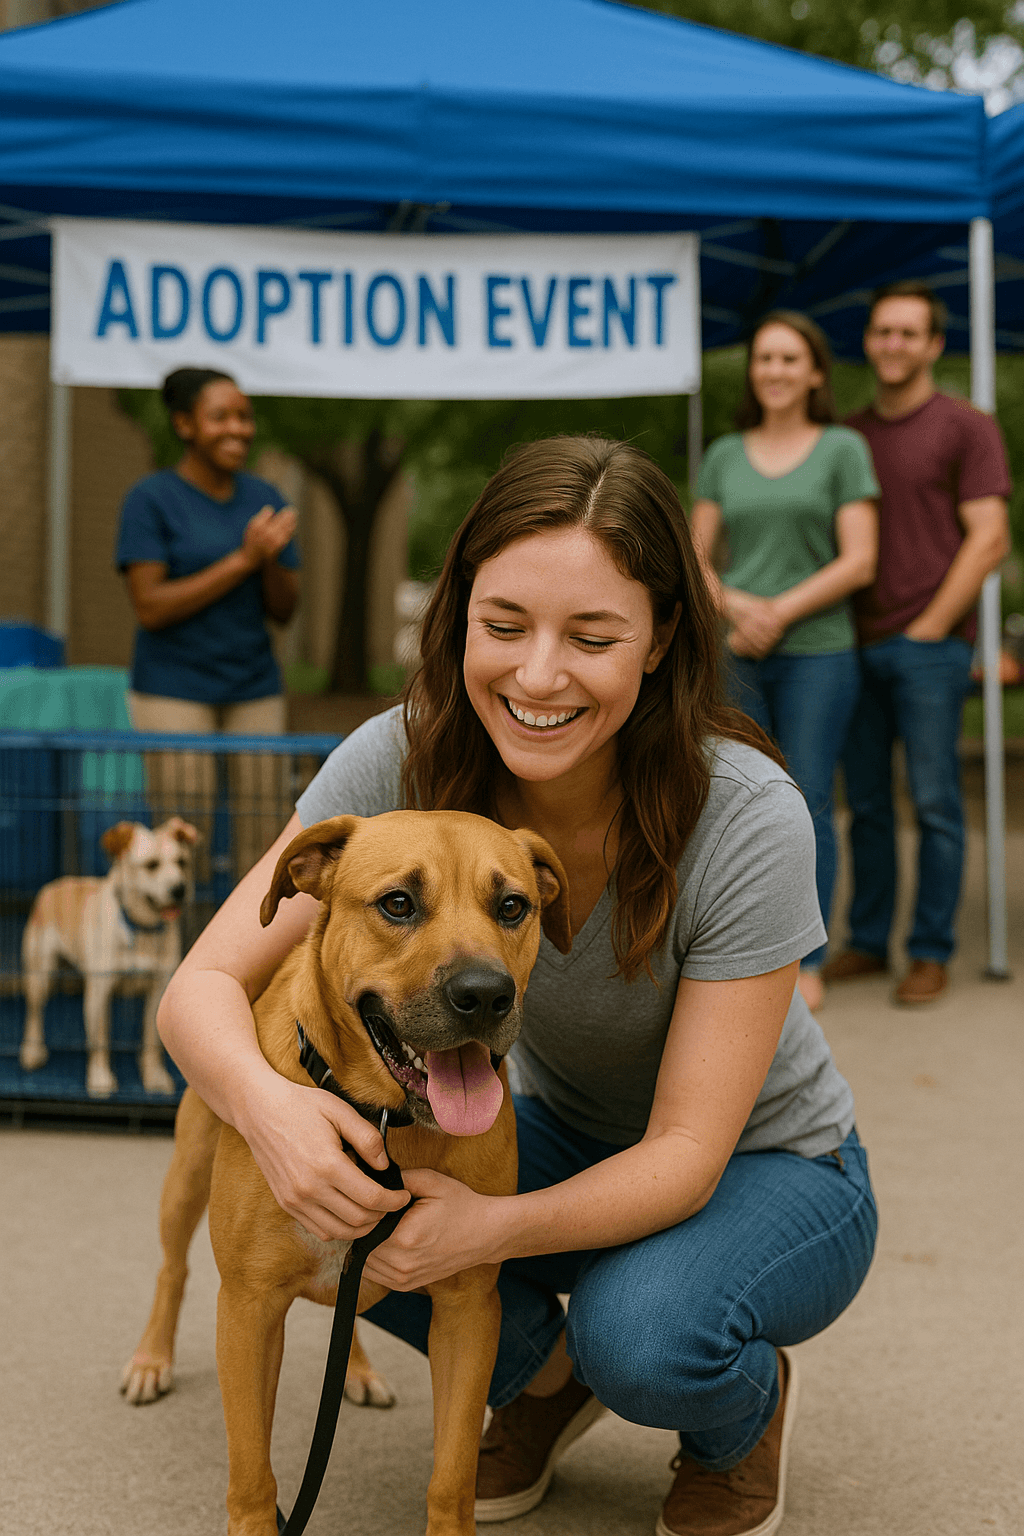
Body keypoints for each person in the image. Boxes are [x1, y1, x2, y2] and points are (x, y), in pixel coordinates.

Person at [157, 437, 877, 1536]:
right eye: (504, 628)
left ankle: (736, 1411)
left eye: (592, 637)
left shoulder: (748, 815)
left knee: (639, 1335)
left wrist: (483, 1233)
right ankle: (539, 1387)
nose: (538, 677)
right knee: (361, 1185)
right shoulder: (394, 762)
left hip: (762, 1163)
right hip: (553, 1124)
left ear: (661, 636)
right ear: (457, 621)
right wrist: (276, 1116)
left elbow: (685, 1152)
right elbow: (199, 984)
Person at [824, 282, 1012, 1005]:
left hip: (928, 647)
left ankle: (930, 950)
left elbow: (989, 537)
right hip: (849, 644)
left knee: (934, 801)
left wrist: (933, 624)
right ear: (868, 341)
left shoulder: (967, 427)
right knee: (866, 802)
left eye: (908, 333)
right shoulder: (849, 434)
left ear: (934, 344)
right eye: (882, 332)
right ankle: (870, 942)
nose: (893, 345)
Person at [690, 312, 879, 1011]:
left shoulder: (842, 449)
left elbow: (861, 559)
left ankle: (807, 960)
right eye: (764, 358)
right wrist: (742, 609)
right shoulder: (724, 454)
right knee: (737, 798)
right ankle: (736, 950)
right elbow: (696, 559)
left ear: (816, 373)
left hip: (820, 652)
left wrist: (780, 610)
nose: (774, 370)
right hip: (739, 651)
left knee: (807, 802)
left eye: (789, 358)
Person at [115, 367, 301, 871]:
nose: (239, 428)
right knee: (184, 840)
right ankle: (191, 948)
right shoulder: (151, 500)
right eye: (221, 417)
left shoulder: (265, 498)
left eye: (244, 417)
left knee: (266, 841)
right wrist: (242, 559)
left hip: (253, 686)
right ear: (184, 425)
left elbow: (284, 610)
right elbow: (150, 606)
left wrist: (269, 560)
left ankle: (260, 950)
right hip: (173, 689)